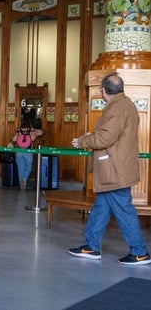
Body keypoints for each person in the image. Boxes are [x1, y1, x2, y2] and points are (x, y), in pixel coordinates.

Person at [69, 73, 151, 265]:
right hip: (116, 167)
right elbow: (112, 134)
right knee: (101, 207)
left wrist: (82, 141)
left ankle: (140, 252)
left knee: (124, 209)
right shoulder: (126, 104)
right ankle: (91, 246)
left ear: (103, 90)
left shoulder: (116, 108)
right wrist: (94, 135)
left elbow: (105, 138)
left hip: (114, 169)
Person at [12, 117, 43, 191]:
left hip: (19, 151)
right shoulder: (32, 131)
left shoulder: (19, 131)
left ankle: (22, 186)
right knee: (29, 167)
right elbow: (42, 132)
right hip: (28, 151)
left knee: (20, 168)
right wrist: (35, 130)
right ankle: (24, 179)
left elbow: (13, 140)